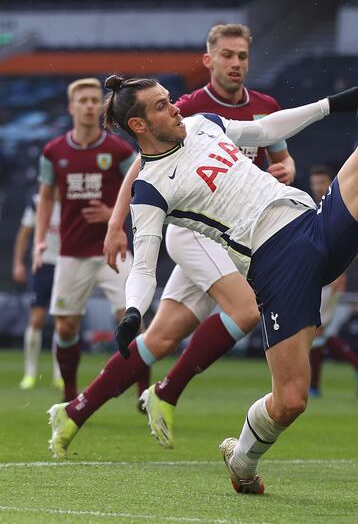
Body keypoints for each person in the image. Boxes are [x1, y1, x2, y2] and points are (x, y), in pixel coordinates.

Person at [52, 66, 358, 492]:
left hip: (313, 224)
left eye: (170, 100)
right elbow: (143, 263)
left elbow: (266, 128)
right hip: (276, 266)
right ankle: (242, 460)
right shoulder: (150, 188)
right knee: (290, 402)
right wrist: (135, 311)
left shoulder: (203, 124)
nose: (175, 108)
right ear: (139, 124)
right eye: (163, 107)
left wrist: (332, 104)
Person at [45, 24, 297, 457]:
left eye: (242, 57)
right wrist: (116, 223)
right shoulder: (185, 108)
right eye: (227, 55)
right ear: (209, 60)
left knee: (159, 339)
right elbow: (144, 167)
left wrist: (286, 168)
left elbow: (280, 154)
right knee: (247, 309)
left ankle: (75, 411)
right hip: (192, 232)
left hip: (230, 231)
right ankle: (168, 391)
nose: (236, 63)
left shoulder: (266, 107)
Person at [33, 77, 146, 404]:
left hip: (115, 249)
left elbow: (143, 188)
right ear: (71, 107)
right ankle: (70, 396)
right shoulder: (53, 152)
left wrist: (113, 215)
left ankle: (143, 394)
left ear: (101, 106)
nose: (89, 105)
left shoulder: (120, 150)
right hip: (72, 252)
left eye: (94, 100)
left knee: (132, 318)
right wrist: (40, 241)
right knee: (66, 328)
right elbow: (45, 198)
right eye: (82, 100)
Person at [307, 165, 358, 397]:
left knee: (314, 330)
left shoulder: (341, 207)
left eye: (322, 182)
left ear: (332, 182)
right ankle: (357, 365)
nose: (318, 187)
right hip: (316, 274)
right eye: (314, 183)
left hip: (329, 277)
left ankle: (315, 385)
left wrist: (342, 269)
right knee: (317, 330)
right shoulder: (317, 207)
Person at [13, 193, 62, 389]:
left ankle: (59, 374)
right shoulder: (37, 202)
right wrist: (18, 263)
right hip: (42, 265)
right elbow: (24, 234)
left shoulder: (73, 200)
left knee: (63, 321)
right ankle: (30, 373)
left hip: (66, 265)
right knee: (37, 319)